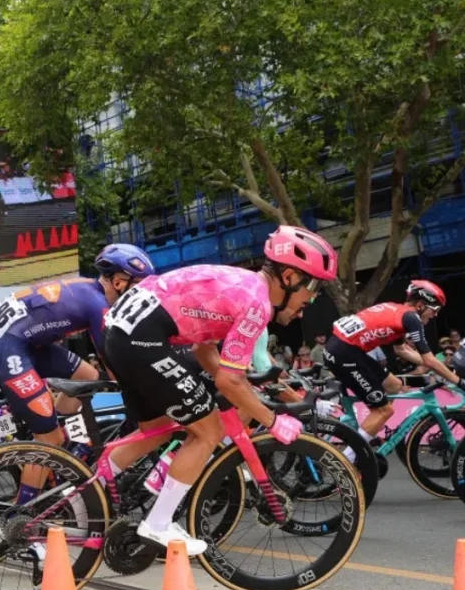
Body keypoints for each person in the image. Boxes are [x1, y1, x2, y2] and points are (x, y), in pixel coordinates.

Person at [103, 226, 338, 554]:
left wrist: (239, 386)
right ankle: (157, 524)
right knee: (208, 431)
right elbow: (229, 381)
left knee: (156, 429)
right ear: (288, 277)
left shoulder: (241, 284)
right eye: (312, 287)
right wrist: (271, 420)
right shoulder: (257, 303)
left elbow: (204, 352)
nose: (311, 299)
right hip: (141, 338)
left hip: (120, 333)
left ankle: (88, 496)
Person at [0, 244, 155, 511]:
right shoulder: (98, 305)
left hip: (22, 342)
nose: (140, 294)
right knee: (49, 442)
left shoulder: (89, 289)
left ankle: (60, 437)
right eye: (138, 286)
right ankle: (21, 515)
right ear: (119, 282)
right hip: (8, 348)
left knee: (88, 376)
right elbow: (113, 362)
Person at [323, 279, 462, 463]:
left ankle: (371, 428)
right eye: (434, 309)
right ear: (420, 305)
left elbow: (402, 350)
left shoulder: (397, 310)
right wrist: (458, 381)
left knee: (394, 385)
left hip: (345, 349)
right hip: (346, 354)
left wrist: (441, 367)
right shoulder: (412, 318)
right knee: (384, 410)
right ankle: (346, 460)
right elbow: (428, 359)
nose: (435, 315)